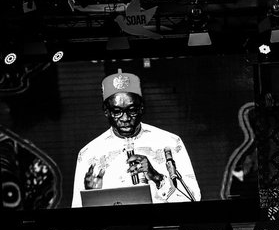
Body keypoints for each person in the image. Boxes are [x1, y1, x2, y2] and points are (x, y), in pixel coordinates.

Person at [71, 71, 200, 206]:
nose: (125, 118)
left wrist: (157, 177)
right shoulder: (89, 153)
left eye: (132, 110)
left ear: (141, 108)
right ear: (106, 111)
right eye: (117, 112)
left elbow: (194, 199)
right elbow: (77, 209)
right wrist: (92, 196)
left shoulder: (170, 142)